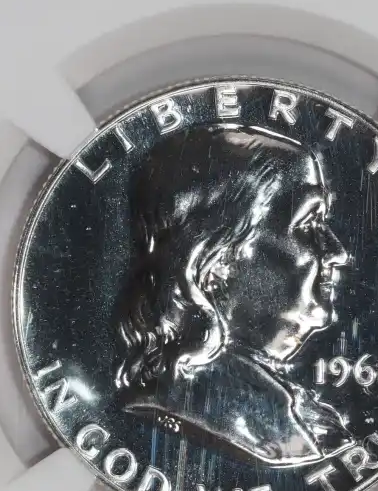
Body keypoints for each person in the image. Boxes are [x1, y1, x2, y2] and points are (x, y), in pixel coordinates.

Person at [113, 122, 355, 466]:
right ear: (215, 261)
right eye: (308, 223)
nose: (337, 252)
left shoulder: (289, 411)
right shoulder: (210, 412)